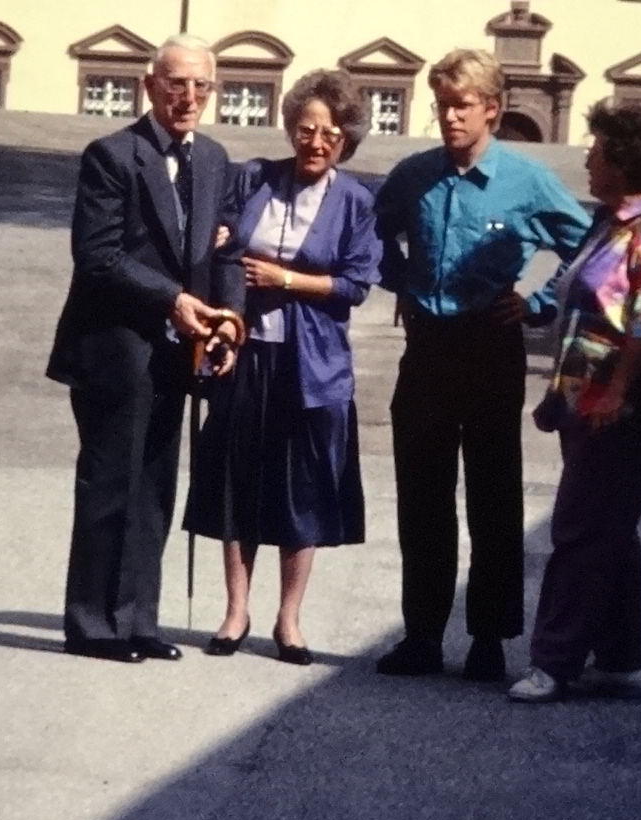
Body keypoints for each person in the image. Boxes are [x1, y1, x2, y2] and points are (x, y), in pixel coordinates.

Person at [369, 49, 594, 683]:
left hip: (491, 347)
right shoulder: (415, 175)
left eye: (461, 106)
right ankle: (421, 636)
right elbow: (372, 232)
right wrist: (401, 281)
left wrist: (537, 300)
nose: (449, 118)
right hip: (429, 350)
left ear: (491, 110)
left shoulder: (525, 181)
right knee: (422, 496)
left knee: (493, 497)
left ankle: (490, 640)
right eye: (441, 105)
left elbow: (587, 245)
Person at [45, 35, 239, 663]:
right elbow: (97, 257)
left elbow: (224, 251)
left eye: (201, 86)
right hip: (114, 346)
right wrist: (172, 302)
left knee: (156, 483)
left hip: (177, 350)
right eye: (176, 84)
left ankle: (137, 619)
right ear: (150, 85)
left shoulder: (213, 159)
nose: (188, 98)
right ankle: (93, 624)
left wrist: (225, 322)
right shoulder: (111, 156)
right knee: (110, 482)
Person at [185, 70, 382, 666]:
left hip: (312, 365)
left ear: (346, 138)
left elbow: (355, 285)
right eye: (305, 129)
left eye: (330, 133)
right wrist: (223, 252)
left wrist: (286, 279)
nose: (316, 142)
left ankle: (289, 619)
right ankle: (236, 612)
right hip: (244, 354)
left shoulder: (355, 201)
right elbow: (220, 244)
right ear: (291, 128)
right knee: (236, 481)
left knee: (302, 493)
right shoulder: (254, 178)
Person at [507, 100, 641, 703]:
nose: (587, 156)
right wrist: (556, 393)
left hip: (623, 408)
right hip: (583, 401)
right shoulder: (608, 221)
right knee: (612, 529)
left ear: (624, 158)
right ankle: (619, 659)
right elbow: (579, 306)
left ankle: (553, 662)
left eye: (597, 148)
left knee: (580, 530)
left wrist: (615, 391)